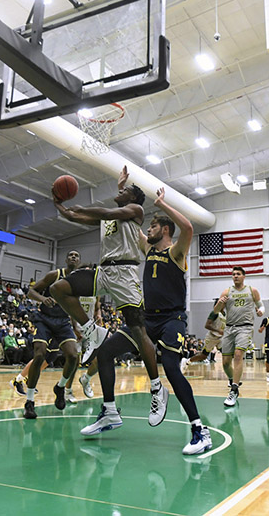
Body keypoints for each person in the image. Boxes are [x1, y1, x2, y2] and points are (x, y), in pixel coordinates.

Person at [80, 187, 212, 455]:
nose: (147, 230)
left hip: (171, 319)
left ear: (164, 230)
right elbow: (130, 223)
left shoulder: (175, 253)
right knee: (104, 352)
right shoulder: (148, 249)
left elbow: (186, 227)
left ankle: (200, 430)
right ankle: (109, 412)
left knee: (172, 369)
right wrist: (123, 191)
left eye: (152, 226)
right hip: (146, 319)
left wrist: (162, 204)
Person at [49, 166, 168, 427]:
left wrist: (78, 208)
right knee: (58, 288)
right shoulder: (114, 214)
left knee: (139, 332)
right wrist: (61, 206)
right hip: (104, 270)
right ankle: (92, 330)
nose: (121, 191)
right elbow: (76, 217)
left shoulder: (135, 211)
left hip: (126, 273)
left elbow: (107, 211)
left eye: (125, 191)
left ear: (134, 199)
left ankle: (157, 387)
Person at [18, 250, 85, 419]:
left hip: (63, 322)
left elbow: (73, 306)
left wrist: (75, 327)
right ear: (65, 259)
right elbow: (31, 291)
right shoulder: (54, 275)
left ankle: (60, 387)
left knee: (73, 356)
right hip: (44, 319)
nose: (73, 257)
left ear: (79, 261)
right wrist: (42, 299)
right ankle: (30, 401)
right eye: (70, 255)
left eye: (76, 256)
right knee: (39, 356)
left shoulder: (78, 282)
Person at [213, 266, 264, 407]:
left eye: (238, 274)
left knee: (238, 355)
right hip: (229, 328)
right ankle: (232, 379)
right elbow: (216, 311)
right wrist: (219, 303)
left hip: (245, 327)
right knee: (225, 362)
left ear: (244, 276)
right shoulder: (227, 292)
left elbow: (261, 306)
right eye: (233, 274)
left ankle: (234, 389)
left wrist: (260, 311)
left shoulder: (252, 291)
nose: (235, 276)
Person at [181, 300, 225, 370]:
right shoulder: (214, 313)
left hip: (220, 338)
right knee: (203, 356)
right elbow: (207, 325)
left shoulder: (225, 314)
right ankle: (187, 361)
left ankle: (231, 379)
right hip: (212, 337)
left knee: (227, 354)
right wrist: (218, 330)